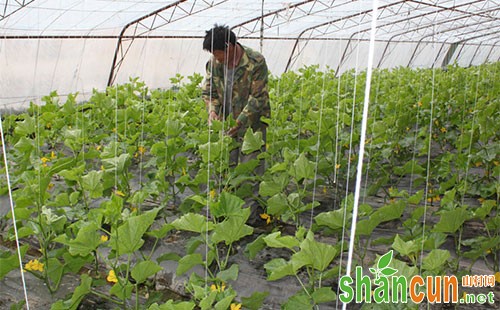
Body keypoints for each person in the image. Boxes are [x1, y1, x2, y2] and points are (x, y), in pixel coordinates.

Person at [201, 24, 270, 175]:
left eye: (218, 53)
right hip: (226, 122)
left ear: (229, 46)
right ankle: (226, 196)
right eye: (213, 53)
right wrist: (212, 111)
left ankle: (250, 199)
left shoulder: (255, 61)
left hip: (252, 124)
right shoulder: (214, 63)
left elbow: (258, 97)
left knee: (251, 170)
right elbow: (209, 91)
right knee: (225, 168)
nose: (217, 58)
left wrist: (239, 122)